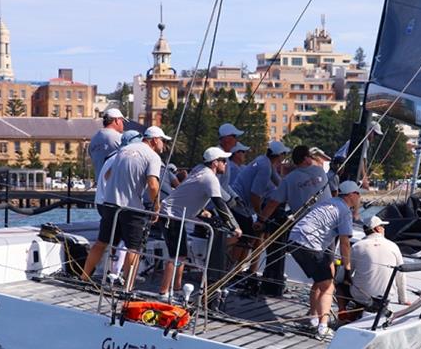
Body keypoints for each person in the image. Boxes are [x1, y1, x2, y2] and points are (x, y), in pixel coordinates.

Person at [81, 125, 169, 289]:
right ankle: (128, 288)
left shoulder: (123, 151)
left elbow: (108, 175)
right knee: (133, 248)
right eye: (163, 141)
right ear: (154, 140)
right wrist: (156, 208)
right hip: (131, 208)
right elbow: (152, 184)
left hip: (109, 204)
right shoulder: (152, 156)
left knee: (102, 242)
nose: (163, 144)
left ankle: (84, 277)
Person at [158, 147, 242, 296]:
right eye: (223, 160)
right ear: (215, 163)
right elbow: (219, 204)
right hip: (171, 215)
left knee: (181, 254)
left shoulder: (200, 170)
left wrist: (201, 211)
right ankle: (164, 292)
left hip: (175, 214)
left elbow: (191, 192)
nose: (226, 164)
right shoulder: (209, 177)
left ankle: (176, 290)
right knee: (176, 255)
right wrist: (233, 226)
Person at [288, 180, 361, 339]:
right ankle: (323, 327)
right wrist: (347, 269)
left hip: (294, 239)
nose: (360, 197)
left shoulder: (329, 202)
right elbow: (345, 243)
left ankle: (313, 319)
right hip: (309, 244)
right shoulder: (344, 211)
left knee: (319, 281)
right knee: (328, 286)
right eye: (358, 194)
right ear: (351, 195)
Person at [253, 145, 330, 294]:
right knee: (327, 265)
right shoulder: (320, 172)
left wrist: (261, 221)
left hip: (306, 229)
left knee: (320, 270)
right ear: (307, 158)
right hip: (329, 225)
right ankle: (321, 296)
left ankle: (273, 283)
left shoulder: (289, 179)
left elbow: (272, 204)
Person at [230, 140, 290, 271]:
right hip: (240, 206)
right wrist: (260, 216)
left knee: (248, 238)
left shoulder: (264, 161)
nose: (284, 157)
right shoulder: (265, 167)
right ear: (278, 155)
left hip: (240, 205)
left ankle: (236, 271)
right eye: (284, 154)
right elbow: (255, 195)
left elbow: (280, 183)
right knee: (245, 238)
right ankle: (228, 270)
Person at [348, 215, 408, 307]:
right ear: (378, 229)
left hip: (361, 297)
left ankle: (343, 312)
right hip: (386, 297)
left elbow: (347, 271)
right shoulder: (393, 246)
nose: (384, 229)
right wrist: (403, 300)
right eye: (383, 227)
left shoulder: (356, 246)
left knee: (340, 283)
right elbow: (401, 275)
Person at [89, 108, 125, 180]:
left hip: (99, 185)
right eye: (122, 121)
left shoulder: (93, 140)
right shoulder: (120, 138)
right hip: (114, 184)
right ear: (116, 120)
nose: (123, 125)